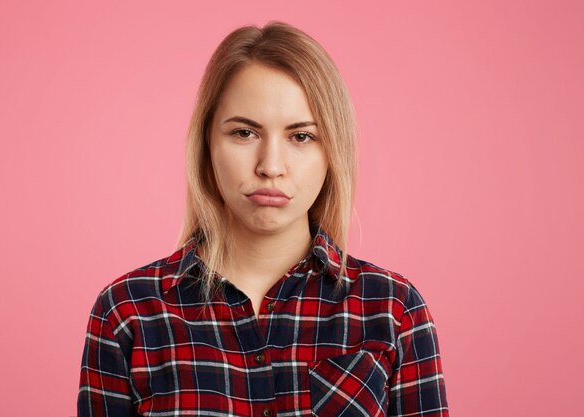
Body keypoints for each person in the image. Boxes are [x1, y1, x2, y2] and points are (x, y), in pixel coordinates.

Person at [77, 21, 449, 417]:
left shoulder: (392, 308)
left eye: (301, 136)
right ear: (207, 144)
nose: (271, 166)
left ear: (332, 152)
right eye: (244, 133)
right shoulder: (128, 311)